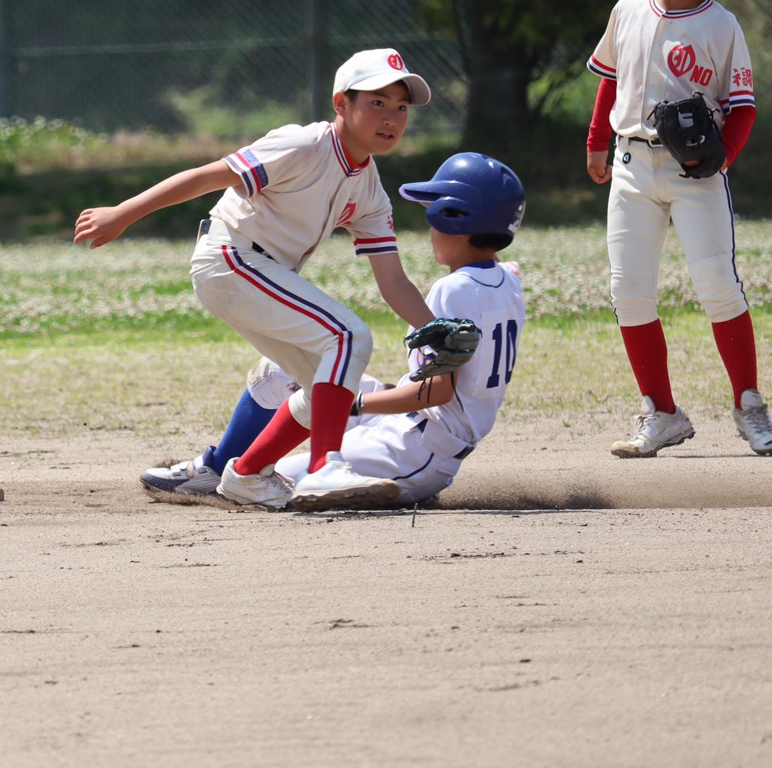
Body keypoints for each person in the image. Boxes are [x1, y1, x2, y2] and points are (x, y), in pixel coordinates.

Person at [75, 48, 450, 509]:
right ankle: (324, 467)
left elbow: (393, 280)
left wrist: (435, 329)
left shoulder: (369, 188)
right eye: (377, 102)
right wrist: (123, 213)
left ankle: (247, 475)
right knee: (349, 336)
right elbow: (207, 177)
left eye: (402, 107)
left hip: (257, 272)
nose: (391, 117)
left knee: (332, 387)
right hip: (230, 258)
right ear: (341, 103)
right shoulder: (303, 145)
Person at [142, 152, 528, 510]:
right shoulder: (508, 279)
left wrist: (348, 403)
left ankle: (242, 475)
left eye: (435, 211)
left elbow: (437, 392)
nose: (430, 227)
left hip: (414, 449)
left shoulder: (454, 289)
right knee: (280, 371)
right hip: (408, 427)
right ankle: (215, 467)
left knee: (285, 477)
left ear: (455, 217)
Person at [585, 0, 772, 458]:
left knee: (718, 285)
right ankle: (661, 413)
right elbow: (610, 79)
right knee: (629, 292)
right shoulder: (628, 9)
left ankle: (749, 405)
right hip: (631, 165)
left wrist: (724, 159)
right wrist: (596, 141)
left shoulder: (723, 25)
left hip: (696, 170)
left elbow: (742, 107)